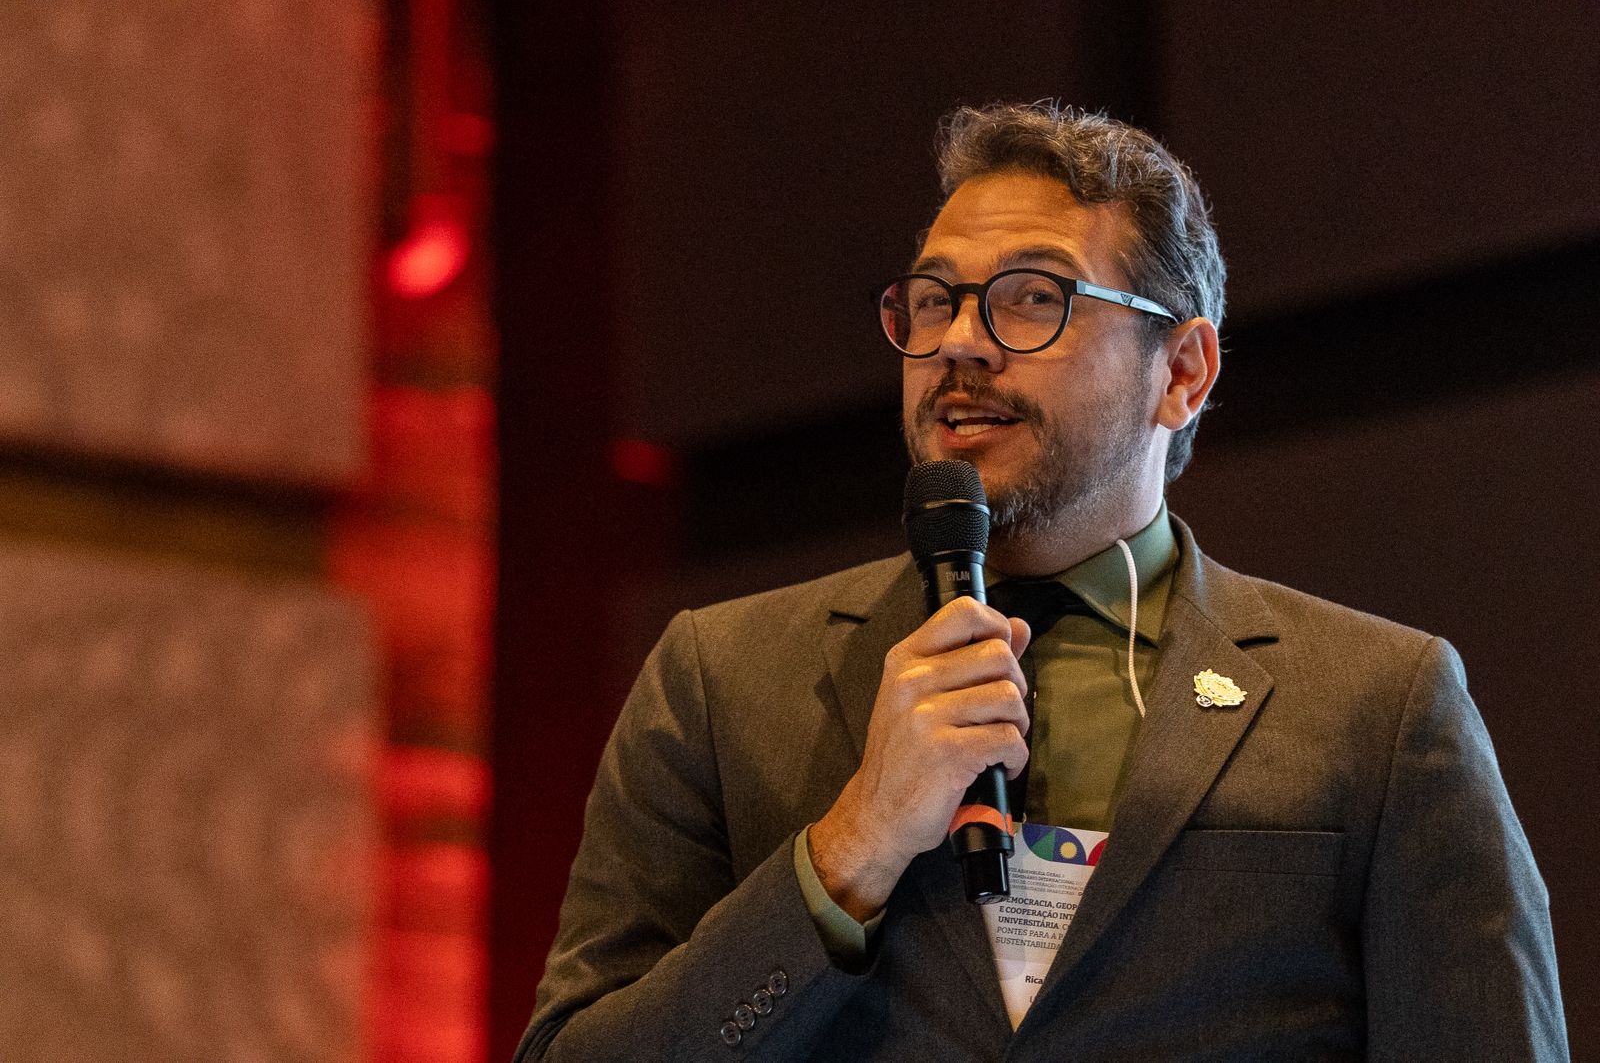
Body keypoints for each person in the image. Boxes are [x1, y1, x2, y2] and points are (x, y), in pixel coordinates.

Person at [517, 103, 1567, 1061]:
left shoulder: (1376, 708)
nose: (960, 342)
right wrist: (851, 848)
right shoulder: (721, 680)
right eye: (934, 301)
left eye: (1033, 299)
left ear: (1183, 372)